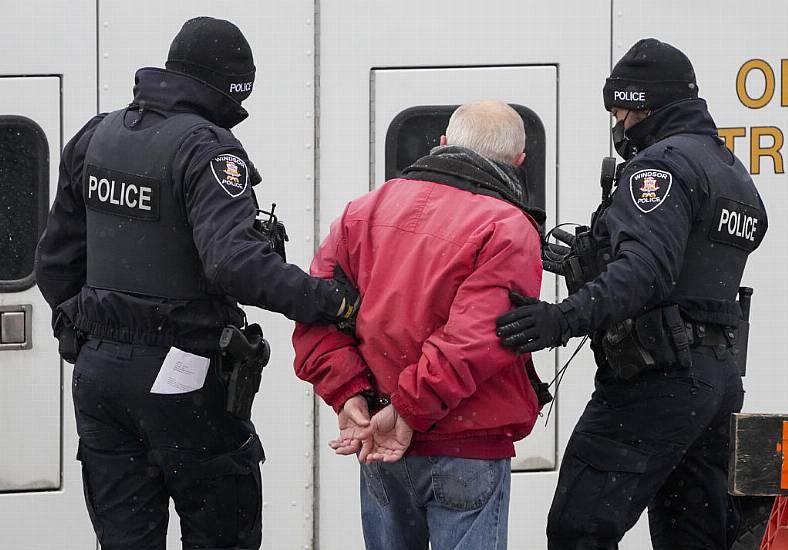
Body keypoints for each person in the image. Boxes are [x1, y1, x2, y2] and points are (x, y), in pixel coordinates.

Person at [34, 16, 358, 550]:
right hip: (183, 374)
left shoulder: (96, 135)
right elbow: (235, 266)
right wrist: (335, 302)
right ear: (226, 89)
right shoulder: (208, 150)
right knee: (222, 532)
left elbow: (53, 263)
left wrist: (99, 328)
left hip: (97, 378)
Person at [496, 39, 768, 550]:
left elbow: (647, 272)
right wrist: (597, 256)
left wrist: (560, 319)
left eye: (621, 109)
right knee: (695, 536)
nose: (619, 123)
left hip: (654, 378)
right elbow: (694, 266)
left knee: (580, 528)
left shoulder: (658, 169)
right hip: (716, 380)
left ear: (644, 104)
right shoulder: (728, 169)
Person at [292, 100, 546, 550]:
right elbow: (473, 341)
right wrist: (408, 410)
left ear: (443, 143)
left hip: (378, 437)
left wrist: (349, 391)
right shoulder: (508, 227)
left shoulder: (362, 211)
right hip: (465, 443)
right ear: (520, 163)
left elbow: (318, 309)